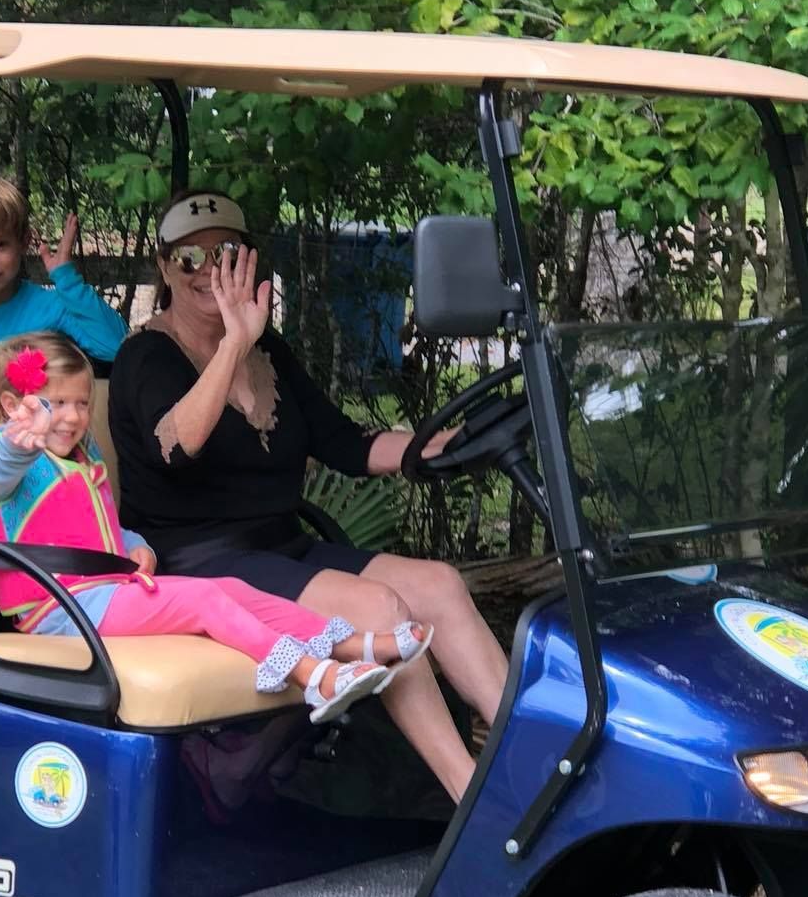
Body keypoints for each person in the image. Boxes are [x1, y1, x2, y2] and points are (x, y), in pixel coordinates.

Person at [106, 190, 510, 802]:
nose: (209, 271)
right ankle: (475, 801)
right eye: (190, 258)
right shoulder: (146, 356)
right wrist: (234, 343)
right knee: (380, 608)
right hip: (199, 565)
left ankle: (526, 762)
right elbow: (178, 446)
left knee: (439, 585)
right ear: (164, 268)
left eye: (226, 254)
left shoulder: (271, 352)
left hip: (282, 545)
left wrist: (449, 445)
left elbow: (346, 445)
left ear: (249, 262)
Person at [0, 333, 435, 722]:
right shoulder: (0, 457)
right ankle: (316, 676)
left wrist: (137, 544)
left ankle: (353, 645)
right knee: (206, 598)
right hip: (60, 611)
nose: (71, 416)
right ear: (13, 405)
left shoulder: (81, 459)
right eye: (54, 403)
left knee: (230, 587)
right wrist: (17, 445)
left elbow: (103, 529)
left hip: (102, 594)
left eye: (81, 403)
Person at [0, 173, 127, 367]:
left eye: (0, 244)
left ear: (24, 242)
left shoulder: (50, 307)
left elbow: (116, 348)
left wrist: (67, 280)